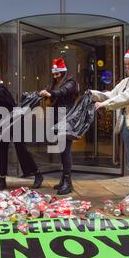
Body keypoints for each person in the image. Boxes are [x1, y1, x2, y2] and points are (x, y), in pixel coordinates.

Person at [91, 46, 129, 206]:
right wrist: (92, 94)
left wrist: (104, 104)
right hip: (127, 121)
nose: (127, 67)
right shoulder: (126, 81)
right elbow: (112, 94)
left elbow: (127, 97)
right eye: (126, 64)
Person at [39, 58, 79, 195]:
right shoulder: (54, 83)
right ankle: (64, 180)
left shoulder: (71, 82)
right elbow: (52, 91)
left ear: (63, 72)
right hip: (59, 119)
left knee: (66, 150)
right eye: (54, 74)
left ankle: (68, 182)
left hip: (66, 119)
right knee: (63, 150)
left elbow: (63, 91)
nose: (55, 76)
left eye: (58, 74)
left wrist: (51, 93)